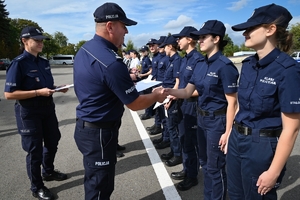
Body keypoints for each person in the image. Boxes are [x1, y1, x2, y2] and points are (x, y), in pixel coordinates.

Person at [73, 3, 167, 200]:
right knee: (100, 188)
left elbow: (98, 81)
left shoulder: (85, 50)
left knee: (94, 181)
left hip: (87, 127)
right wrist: (157, 96)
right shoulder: (110, 61)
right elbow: (134, 103)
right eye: (123, 26)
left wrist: (126, 79)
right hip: (99, 132)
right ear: (109, 26)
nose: (125, 31)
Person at [227, 4, 300, 200]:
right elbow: (242, 106)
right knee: (235, 195)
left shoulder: (288, 70)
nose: (245, 33)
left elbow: (291, 128)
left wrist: (274, 172)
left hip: (261, 145)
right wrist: (230, 133)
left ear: (270, 29)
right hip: (237, 139)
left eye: (251, 28)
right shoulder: (249, 64)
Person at [166, 20, 239, 199]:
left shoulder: (225, 66)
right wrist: (167, 91)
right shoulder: (200, 64)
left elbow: (233, 103)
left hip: (217, 121)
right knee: (205, 164)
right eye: (198, 38)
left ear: (216, 39)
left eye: (204, 37)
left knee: (215, 167)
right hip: (201, 118)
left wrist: (228, 132)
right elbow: (187, 91)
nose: (200, 40)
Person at [4, 26, 68, 200]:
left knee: (53, 140)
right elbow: (9, 94)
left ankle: (48, 171)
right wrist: (37, 93)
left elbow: (45, 86)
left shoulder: (43, 62)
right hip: (29, 113)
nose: (41, 43)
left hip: (47, 109)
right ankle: (37, 186)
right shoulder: (18, 63)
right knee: (35, 151)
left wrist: (57, 88)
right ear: (25, 41)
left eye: (42, 40)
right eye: (36, 40)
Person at [169, 26, 204, 191]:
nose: (177, 41)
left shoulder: (198, 60)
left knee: (190, 141)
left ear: (190, 39)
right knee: (184, 139)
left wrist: (181, 94)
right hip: (182, 104)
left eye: (180, 38)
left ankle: (192, 176)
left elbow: (201, 88)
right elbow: (181, 84)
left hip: (191, 105)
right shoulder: (184, 59)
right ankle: (187, 168)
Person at [158, 36, 182, 166]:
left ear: (170, 46)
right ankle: (173, 150)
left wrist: (170, 98)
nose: (163, 48)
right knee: (169, 125)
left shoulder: (177, 60)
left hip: (171, 98)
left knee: (173, 127)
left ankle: (178, 154)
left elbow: (177, 82)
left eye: (165, 46)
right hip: (167, 95)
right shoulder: (171, 60)